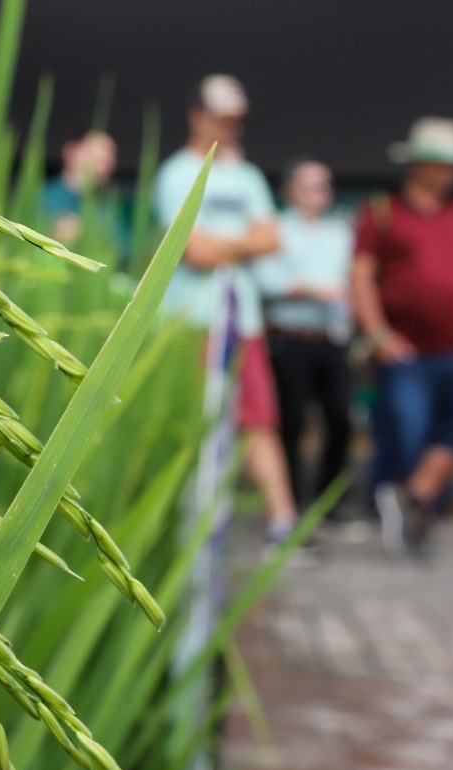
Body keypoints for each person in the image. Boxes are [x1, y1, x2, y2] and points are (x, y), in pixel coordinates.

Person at [154, 74, 300, 554]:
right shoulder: (176, 173)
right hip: (190, 320)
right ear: (197, 115)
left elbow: (273, 238)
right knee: (187, 421)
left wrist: (224, 246)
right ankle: (178, 519)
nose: (230, 127)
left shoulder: (247, 175)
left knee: (257, 419)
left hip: (242, 321)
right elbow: (193, 252)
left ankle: (283, 522)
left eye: (236, 119)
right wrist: (243, 244)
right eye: (222, 117)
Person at [349, 117, 453, 561]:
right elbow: (361, 275)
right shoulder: (382, 211)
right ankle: (414, 515)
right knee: (408, 431)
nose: (449, 173)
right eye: (440, 163)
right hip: (406, 352)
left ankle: (414, 498)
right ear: (417, 163)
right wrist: (378, 333)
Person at [255, 159, 355, 517]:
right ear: (290, 191)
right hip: (290, 338)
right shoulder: (275, 228)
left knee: (341, 419)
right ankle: (289, 503)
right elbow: (266, 282)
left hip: (331, 338)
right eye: (309, 186)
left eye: (323, 186)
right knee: (291, 423)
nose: (318, 194)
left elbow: (350, 284)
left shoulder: (341, 232)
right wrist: (312, 290)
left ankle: (331, 502)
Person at [41, 130, 125, 253]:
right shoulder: (44, 197)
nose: (103, 166)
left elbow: (124, 248)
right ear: (71, 152)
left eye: (108, 160)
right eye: (96, 157)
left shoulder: (108, 208)